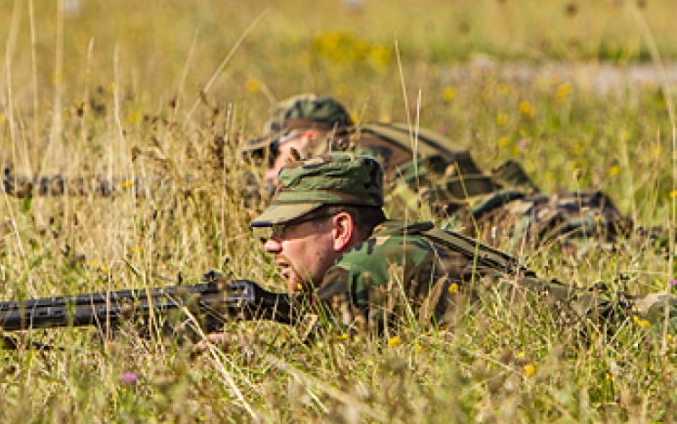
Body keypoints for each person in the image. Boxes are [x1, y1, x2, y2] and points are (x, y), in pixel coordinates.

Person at [251, 151, 673, 334]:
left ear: (341, 229)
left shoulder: (368, 265)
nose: (272, 246)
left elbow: (321, 358)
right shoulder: (394, 242)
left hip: (633, 325)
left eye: (285, 230)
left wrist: (249, 341)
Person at [243, 94, 635, 253]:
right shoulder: (387, 133)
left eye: (272, 151)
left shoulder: (342, 157)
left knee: (609, 255)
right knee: (639, 241)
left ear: (306, 136)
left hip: (508, 227)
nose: (270, 164)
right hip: (539, 205)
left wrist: (278, 181)